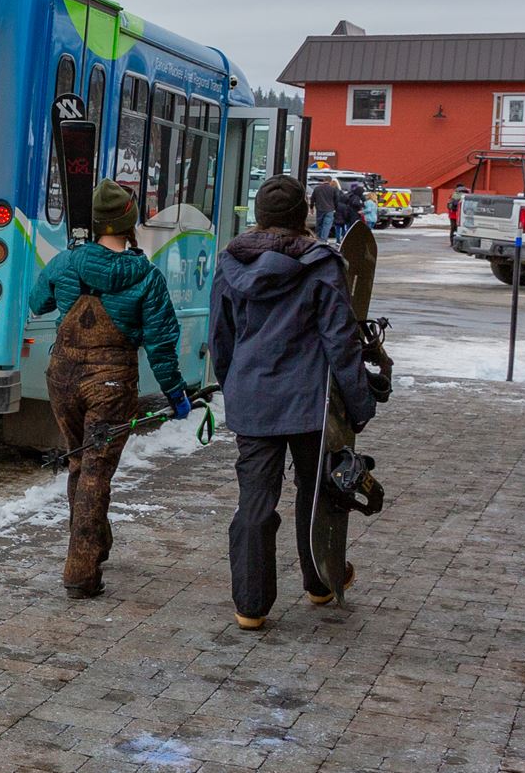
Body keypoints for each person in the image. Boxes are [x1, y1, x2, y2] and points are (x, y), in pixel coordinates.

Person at [210, 175, 376, 631]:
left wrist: (235, 387)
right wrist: (359, 403)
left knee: (255, 502)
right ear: (301, 216)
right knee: (316, 493)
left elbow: (219, 339)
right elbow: (341, 342)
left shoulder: (230, 265)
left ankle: (251, 605)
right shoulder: (323, 265)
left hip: (254, 399)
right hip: (309, 403)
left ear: (259, 217)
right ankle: (319, 582)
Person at [29, 181, 190, 599]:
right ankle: (81, 572)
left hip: (62, 377)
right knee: (96, 470)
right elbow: (161, 343)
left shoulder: (67, 262)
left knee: (80, 464)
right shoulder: (147, 277)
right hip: (111, 384)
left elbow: (36, 301)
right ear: (130, 223)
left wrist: (68, 265)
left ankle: (95, 543)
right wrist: (176, 394)